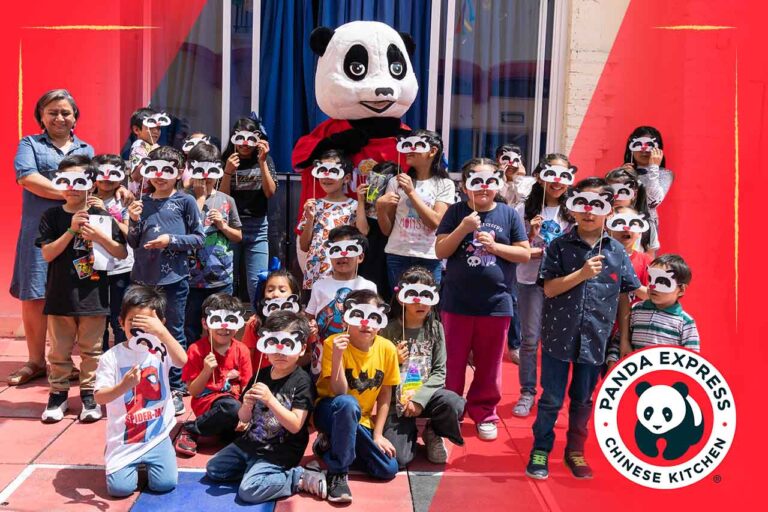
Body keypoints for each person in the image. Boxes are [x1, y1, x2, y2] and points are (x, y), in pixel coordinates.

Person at [526, 177, 640, 481]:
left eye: (597, 205)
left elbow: (625, 297)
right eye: (582, 204)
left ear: (609, 210)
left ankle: (575, 450)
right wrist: (582, 274)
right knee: (551, 399)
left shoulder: (617, 251)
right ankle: (540, 449)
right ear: (572, 208)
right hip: (558, 337)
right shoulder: (558, 246)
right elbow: (549, 289)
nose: (589, 212)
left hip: (596, 338)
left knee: (583, 399)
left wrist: (624, 338)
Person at [435, 158, 530, 441]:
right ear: (465, 186)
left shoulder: (508, 214)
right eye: (476, 182)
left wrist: (495, 247)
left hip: (496, 303)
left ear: (498, 184)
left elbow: (524, 253)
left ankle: (484, 411)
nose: (484, 187)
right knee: (453, 362)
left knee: (489, 364)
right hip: (457, 302)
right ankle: (449, 411)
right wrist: (463, 228)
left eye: (490, 181)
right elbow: (441, 251)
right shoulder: (455, 212)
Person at [10, 89, 95, 386]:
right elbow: (27, 177)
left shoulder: (86, 149)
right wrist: (70, 192)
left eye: (65, 112)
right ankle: (35, 361)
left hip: (79, 231)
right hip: (40, 230)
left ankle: (62, 361)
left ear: (75, 117)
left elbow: (95, 184)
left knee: (70, 292)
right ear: (41, 117)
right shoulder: (30, 144)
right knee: (35, 294)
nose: (60, 117)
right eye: (52, 112)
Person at [37, 156, 128, 423]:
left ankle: (90, 395)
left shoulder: (102, 215)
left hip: (93, 296)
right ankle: (58, 395)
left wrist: (99, 236)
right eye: (65, 181)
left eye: (79, 181)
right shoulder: (52, 216)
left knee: (92, 351)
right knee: (59, 351)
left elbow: (121, 252)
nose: (72, 188)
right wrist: (70, 230)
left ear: (91, 183)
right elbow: (47, 254)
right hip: (60, 295)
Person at [206, 311, 327, 503]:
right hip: (251, 443)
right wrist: (246, 405)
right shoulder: (260, 375)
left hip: (281, 450)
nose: (280, 352)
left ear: (302, 348)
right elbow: (244, 418)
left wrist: (270, 400)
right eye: (273, 344)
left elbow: (296, 425)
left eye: (288, 345)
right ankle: (256, 471)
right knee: (214, 469)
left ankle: (299, 477)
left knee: (249, 490)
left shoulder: (302, 382)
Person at [127, 146, 204, 415]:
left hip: (174, 279)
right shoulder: (142, 201)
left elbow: (199, 238)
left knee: (173, 331)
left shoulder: (185, 201)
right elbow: (133, 241)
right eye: (154, 170)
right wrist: (133, 219)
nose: (159, 176)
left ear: (179, 172)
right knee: (141, 330)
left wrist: (170, 240)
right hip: (143, 278)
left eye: (167, 170)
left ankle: (175, 387)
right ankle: (144, 382)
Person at [94, 285, 188, 497]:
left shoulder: (161, 349)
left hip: (157, 436)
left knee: (165, 484)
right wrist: (123, 386)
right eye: (134, 324)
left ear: (160, 323)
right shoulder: (111, 357)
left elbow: (182, 361)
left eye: (148, 324)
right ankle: (116, 455)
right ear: (121, 323)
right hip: (125, 439)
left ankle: (157, 455)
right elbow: (99, 396)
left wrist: (161, 332)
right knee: (120, 489)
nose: (141, 331)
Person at [313, 289, 400, 503]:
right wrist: (338, 356)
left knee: (388, 468)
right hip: (330, 410)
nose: (366, 324)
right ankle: (338, 472)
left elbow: (385, 394)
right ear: (347, 318)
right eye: (359, 316)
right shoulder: (333, 343)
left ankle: (331, 445)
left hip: (361, 420)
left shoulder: (387, 349)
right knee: (348, 403)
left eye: (373, 317)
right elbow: (339, 391)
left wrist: (378, 435)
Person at [382, 266, 465, 467]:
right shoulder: (388, 330)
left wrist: (419, 400)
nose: (420, 302)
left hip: (427, 397)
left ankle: (433, 431)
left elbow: (439, 372)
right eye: (413, 296)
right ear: (401, 298)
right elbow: (379, 372)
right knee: (399, 459)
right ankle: (408, 431)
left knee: (454, 402)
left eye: (426, 296)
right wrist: (394, 361)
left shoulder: (435, 328)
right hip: (396, 403)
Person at [512, 154, 575, 418]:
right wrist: (531, 236)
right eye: (551, 175)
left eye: (564, 176)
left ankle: (552, 394)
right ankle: (527, 392)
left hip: (562, 282)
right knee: (530, 340)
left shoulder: (574, 209)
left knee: (557, 341)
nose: (557, 182)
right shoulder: (523, 209)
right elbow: (516, 249)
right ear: (539, 177)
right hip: (530, 280)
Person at [176, 293, 253, 456]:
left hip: (236, 406)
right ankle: (190, 430)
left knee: (254, 429)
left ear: (238, 324)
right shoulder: (196, 350)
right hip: (208, 404)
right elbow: (194, 391)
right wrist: (206, 371)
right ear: (205, 323)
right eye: (217, 321)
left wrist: (247, 415)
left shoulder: (242, 350)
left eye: (231, 321)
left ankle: (222, 433)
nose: (224, 328)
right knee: (230, 407)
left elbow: (247, 386)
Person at [377, 130, 454, 289]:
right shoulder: (396, 182)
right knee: (399, 301)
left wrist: (411, 192)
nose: (409, 150)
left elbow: (435, 222)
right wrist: (380, 209)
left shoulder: (445, 184)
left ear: (432, 151)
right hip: (398, 253)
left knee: (428, 301)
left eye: (416, 145)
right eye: (407, 145)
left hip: (429, 255)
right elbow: (386, 230)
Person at [185, 142, 243, 343]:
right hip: (190, 279)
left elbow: (238, 236)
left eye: (211, 169)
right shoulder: (183, 198)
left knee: (220, 326)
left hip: (221, 278)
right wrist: (200, 198)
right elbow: (185, 231)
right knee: (190, 328)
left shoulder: (227, 200)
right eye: (200, 168)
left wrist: (223, 226)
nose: (206, 175)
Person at [305, 226, 377, 380]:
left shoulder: (369, 286)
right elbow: (309, 316)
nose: (343, 255)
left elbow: (375, 322)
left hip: (357, 354)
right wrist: (311, 326)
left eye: (349, 250)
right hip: (324, 352)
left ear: (360, 256)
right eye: (336, 250)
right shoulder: (319, 286)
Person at [219, 117, 278, 305]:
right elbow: (221, 199)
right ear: (233, 137)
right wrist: (227, 172)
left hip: (257, 226)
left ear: (257, 138)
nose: (245, 144)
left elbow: (270, 192)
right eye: (240, 138)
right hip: (230, 227)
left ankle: (258, 317)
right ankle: (224, 316)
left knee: (257, 280)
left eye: (250, 139)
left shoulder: (265, 160)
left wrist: (262, 162)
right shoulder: (226, 160)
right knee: (227, 279)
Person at [298, 149, 368, 290]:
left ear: (346, 178)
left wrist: (361, 201)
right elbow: (304, 246)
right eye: (323, 171)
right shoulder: (313, 205)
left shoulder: (353, 206)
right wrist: (310, 219)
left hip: (343, 272)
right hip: (315, 273)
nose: (327, 177)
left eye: (333, 172)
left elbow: (363, 232)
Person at [91, 154, 134, 350]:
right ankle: (98, 361)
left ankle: (120, 359)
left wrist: (105, 213)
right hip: (91, 269)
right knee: (97, 321)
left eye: (113, 174)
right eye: (102, 173)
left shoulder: (124, 201)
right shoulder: (84, 197)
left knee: (119, 320)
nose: (107, 179)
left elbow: (129, 233)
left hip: (120, 269)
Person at [624, 253, 700, 355]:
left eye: (662, 282)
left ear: (681, 289)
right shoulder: (636, 310)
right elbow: (620, 341)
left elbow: (692, 357)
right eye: (650, 279)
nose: (653, 286)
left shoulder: (685, 322)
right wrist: (613, 359)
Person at [604, 205, 652, 367]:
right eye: (620, 222)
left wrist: (630, 283)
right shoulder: (600, 256)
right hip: (600, 325)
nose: (627, 228)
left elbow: (652, 295)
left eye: (633, 223)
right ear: (609, 226)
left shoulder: (646, 261)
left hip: (632, 330)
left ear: (640, 232)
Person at [622, 125, 673, 255]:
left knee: (645, 264)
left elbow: (653, 201)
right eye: (639, 145)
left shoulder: (664, 174)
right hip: (621, 224)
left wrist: (653, 168)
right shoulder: (621, 172)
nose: (644, 150)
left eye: (650, 145)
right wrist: (623, 176)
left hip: (647, 228)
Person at [242, 269, 303, 372]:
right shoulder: (255, 323)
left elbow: (308, 354)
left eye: (282, 290)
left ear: (293, 295)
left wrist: (284, 365)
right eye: (270, 290)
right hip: (260, 378)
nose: (275, 294)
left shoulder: (300, 323)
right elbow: (246, 357)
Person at [357, 160, 397, 299]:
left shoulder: (399, 202)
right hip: (370, 252)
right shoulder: (366, 204)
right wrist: (361, 201)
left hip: (391, 251)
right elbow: (363, 230)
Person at [605, 166, 657, 255]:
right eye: (611, 192)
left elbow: (650, 256)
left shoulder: (646, 223)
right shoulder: (597, 220)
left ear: (634, 194)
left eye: (622, 192)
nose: (616, 197)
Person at [128, 108, 161, 196]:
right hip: (140, 198)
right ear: (136, 130)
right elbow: (136, 176)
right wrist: (153, 154)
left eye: (158, 128)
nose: (156, 131)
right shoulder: (139, 145)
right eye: (151, 127)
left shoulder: (153, 146)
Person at [495, 143, 535, 208]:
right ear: (497, 160)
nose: (510, 164)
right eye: (505, 159)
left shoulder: (529, 182)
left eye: (515, 160)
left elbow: (523, 201)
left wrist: (519, 178)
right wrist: (501, 179)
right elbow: (497, 202)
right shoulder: (491, 181)